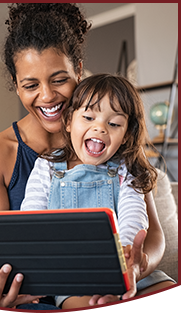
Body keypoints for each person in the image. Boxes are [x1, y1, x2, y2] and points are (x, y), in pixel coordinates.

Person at [0, 3, 175, 309]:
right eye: (30, 85)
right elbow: (3, 255)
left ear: (78, 69)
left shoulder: (116, 146)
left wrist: (134, 266)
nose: (47, 96)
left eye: (59, 79)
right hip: (37, 292)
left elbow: (153, 235)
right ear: (15, 85)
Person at [20, 73, 158, 308]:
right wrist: (34, 276)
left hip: (129, 273)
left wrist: (124, 260)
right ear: (68, 122)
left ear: (125, 136)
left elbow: (133, 212)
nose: (100, 128)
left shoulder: (126, 168)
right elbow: (31, 219)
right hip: (75, 280)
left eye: (114, 124)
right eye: (88, 117)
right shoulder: (47, 166)